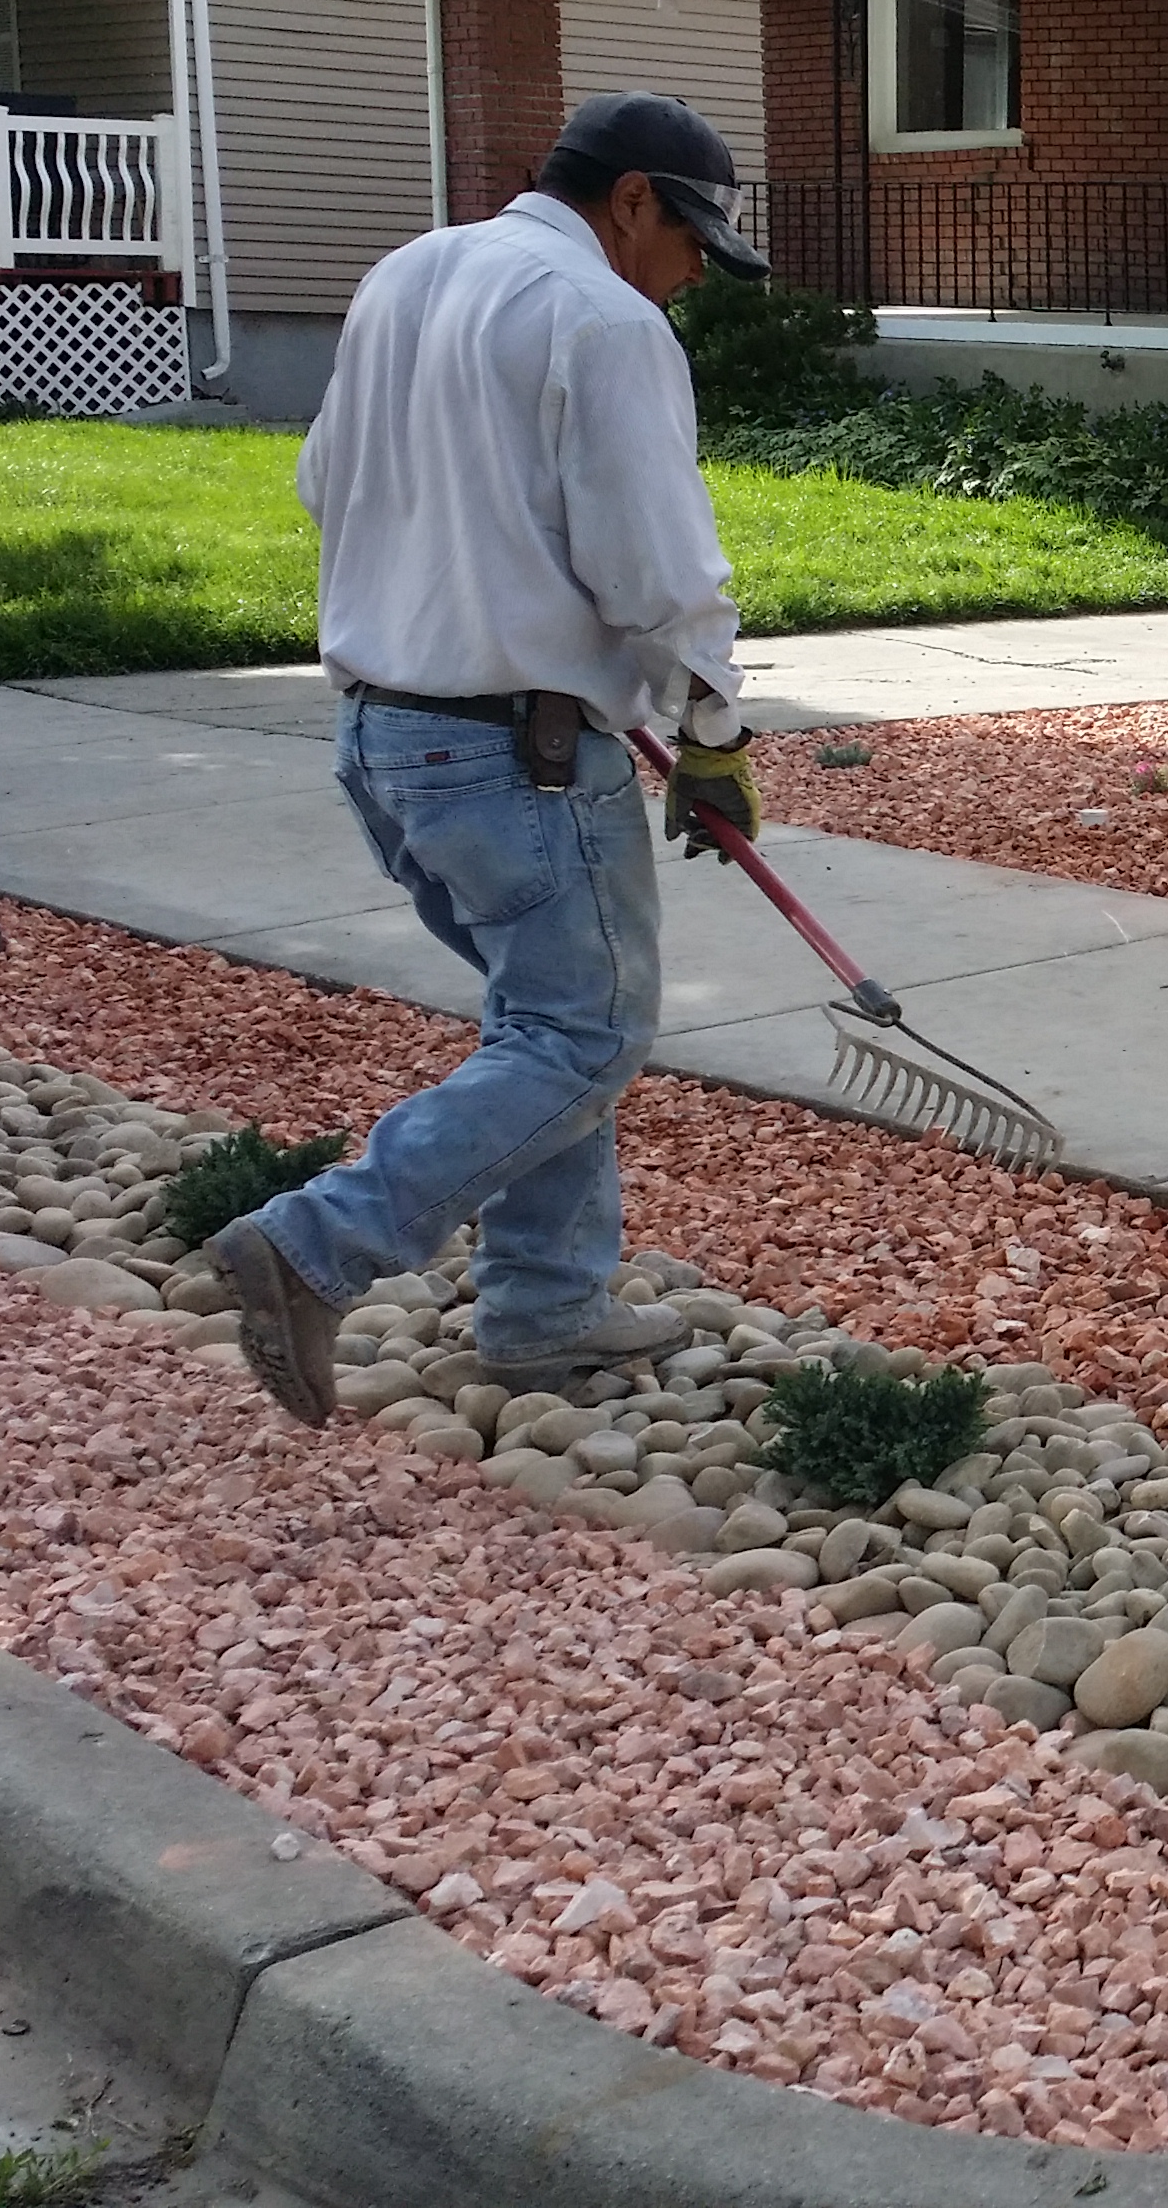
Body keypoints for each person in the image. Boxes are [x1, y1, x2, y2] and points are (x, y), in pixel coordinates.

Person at [209, 93, 775, 1426]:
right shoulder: (607, 320)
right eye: (690, 238)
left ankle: (545, 1307)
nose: (693, 272)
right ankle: (314, 1245)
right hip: (516, 757)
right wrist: (711, 726)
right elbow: (654, 562)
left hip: (384, 734)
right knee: (585, 1035)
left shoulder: (413, 272)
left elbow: (320, 481)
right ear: (632, 200)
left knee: (545, 1023)